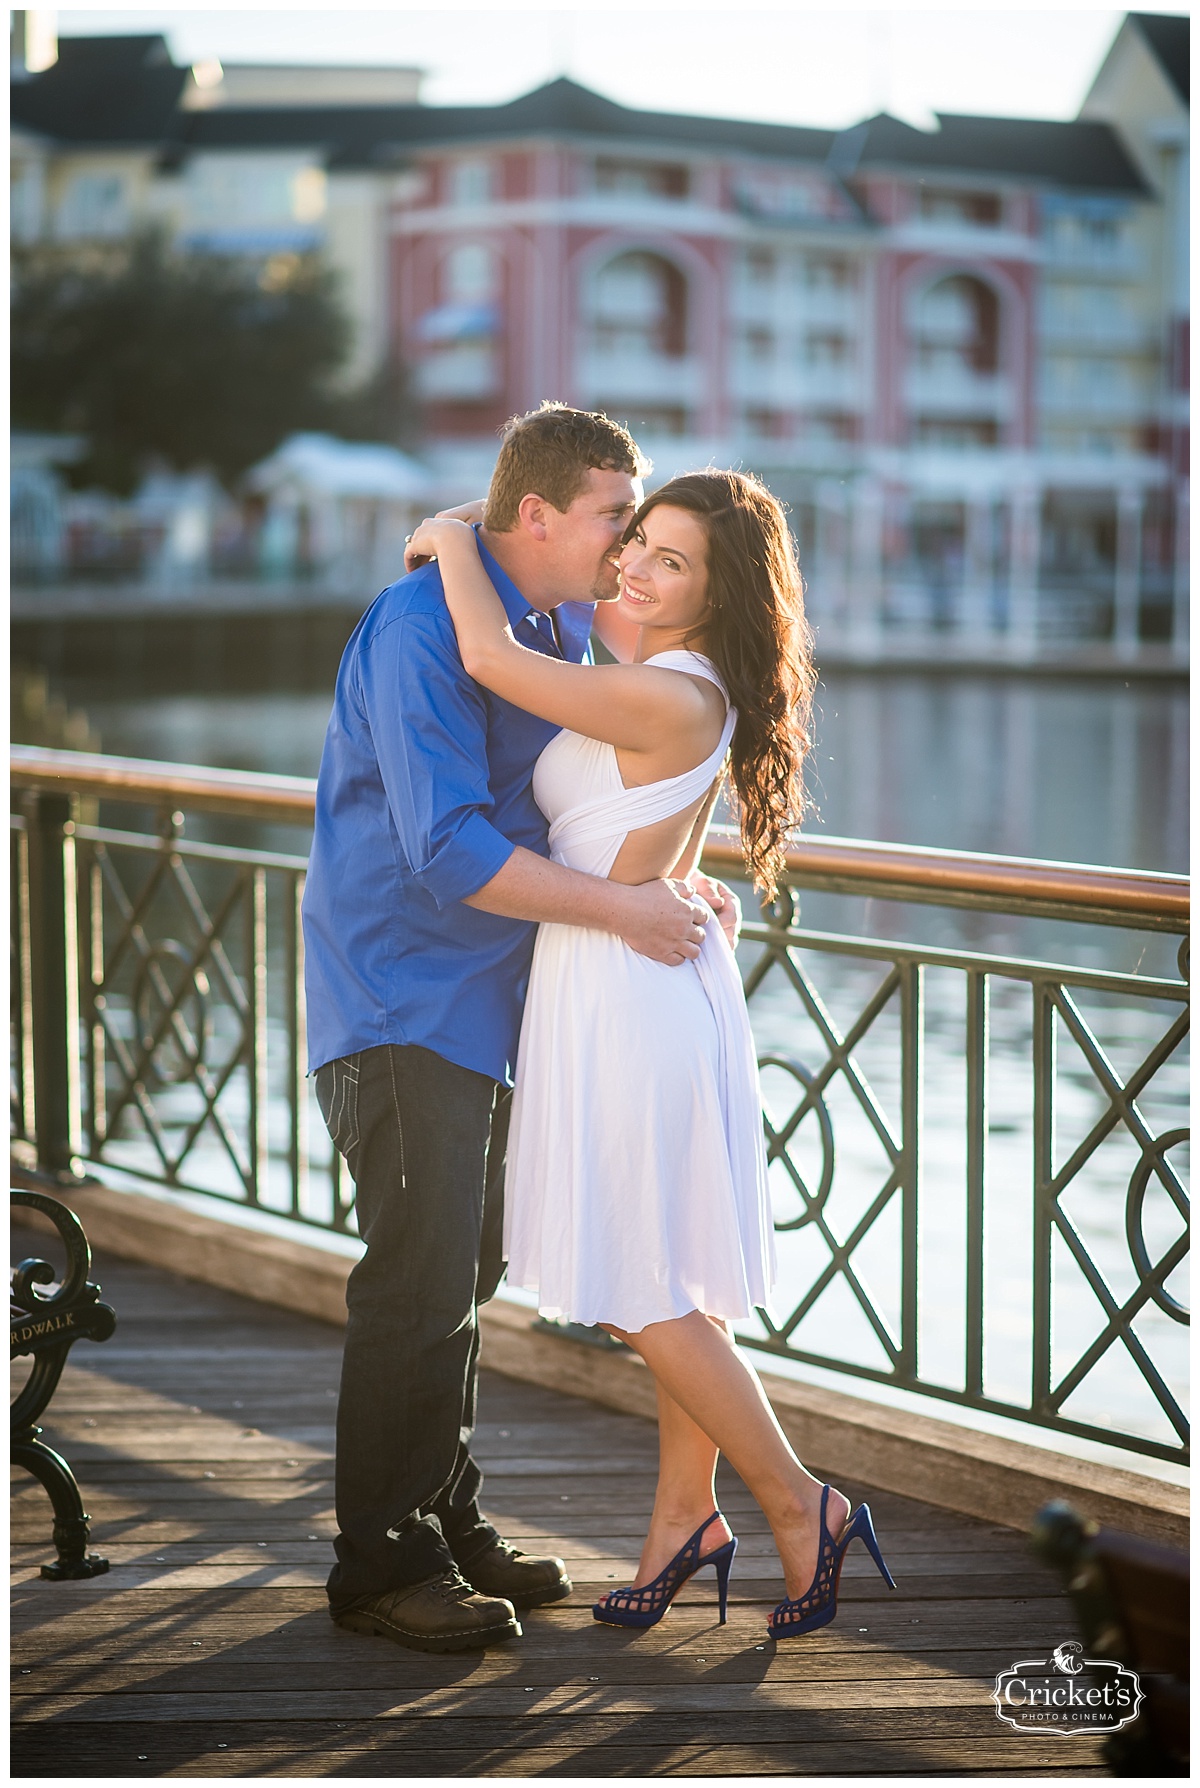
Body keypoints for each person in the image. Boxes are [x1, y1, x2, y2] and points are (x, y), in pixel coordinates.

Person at [404, 469, 896, 1641]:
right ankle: (686, 1517)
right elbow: (623, 804)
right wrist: (677, 873)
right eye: (641, 543)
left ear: (718, 596)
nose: (638, 569)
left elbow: (493, 662)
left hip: (627, 990)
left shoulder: (676, 690)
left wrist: (452, 537)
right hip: (626, 966)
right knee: (675, 1271)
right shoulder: (661, 679)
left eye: (672, 561)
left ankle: (801, 1501)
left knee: (641, 1287)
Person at [301, 404, 741, 1655]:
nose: (625, 547)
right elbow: (446, 850)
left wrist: (673, 877)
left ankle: (446, 1515)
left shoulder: (541, 621)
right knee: (419, 1281)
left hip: (503, 1004)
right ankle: (382, 1561)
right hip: (402, 998)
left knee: (468, 1272)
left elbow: (618, 776)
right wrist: (621, 909)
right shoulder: (418, 629)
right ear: (540, 513)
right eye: (615, 518)